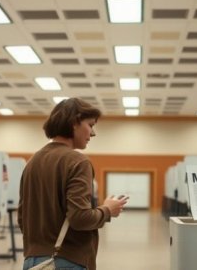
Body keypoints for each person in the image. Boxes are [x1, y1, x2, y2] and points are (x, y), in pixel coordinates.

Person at [18, 97, 128, 270]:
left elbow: (22, 218)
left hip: (33, 262)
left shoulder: (32, 162)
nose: (93, 133)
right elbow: (79, 218)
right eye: (90, 125)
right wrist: (107, 210)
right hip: (66, 261)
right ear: (75, 122)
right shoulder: (78, 161)